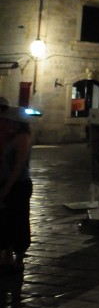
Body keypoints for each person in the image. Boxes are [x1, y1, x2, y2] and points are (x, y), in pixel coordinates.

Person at [0, 103, 37, 273]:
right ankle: (8, 254)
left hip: (19, 184)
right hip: (10, 182)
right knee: (6, 219)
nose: (6, 123)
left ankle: (19, 257)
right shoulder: (12, 136)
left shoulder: (23, 138)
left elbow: (18, 166)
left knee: (19, 219)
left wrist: (7, 188)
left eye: (8, 121)